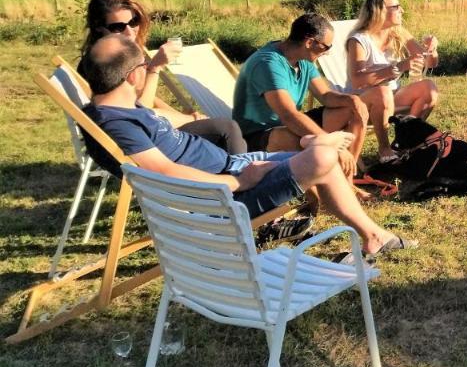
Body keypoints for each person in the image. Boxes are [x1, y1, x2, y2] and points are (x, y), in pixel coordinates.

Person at [78, 35, 414, 260]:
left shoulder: (113, 108)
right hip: (224, 196)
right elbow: (164, 174)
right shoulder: (117, 123)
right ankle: (327, 162)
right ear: (135, 75)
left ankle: (371, 234)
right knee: (325, 156)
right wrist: (241, 182)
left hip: (233, 165)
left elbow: (159, 136)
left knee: (324, 155)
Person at [81, 0, 246, 154]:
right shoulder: (101, 66)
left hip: (152, 129)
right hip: (142, 138)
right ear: (99, 27)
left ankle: (241, 171)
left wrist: (187, 117)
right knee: (227, 129)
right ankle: (243, 175)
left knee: (224, 128)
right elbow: (139, 113)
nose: (130, 32)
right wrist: (155, 68)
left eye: (133, 22)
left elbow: (146, 99)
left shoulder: (123, 56)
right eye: (118, 27)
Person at [232, 13, 369, 174]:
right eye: (326, 47)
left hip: (288, 124)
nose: (327, 52)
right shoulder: (268, 64)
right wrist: (332, 144)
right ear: (309, 42)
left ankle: (347, 180)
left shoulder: (303, 59)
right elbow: (289, 115)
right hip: (258, 135)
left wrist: (351, 100)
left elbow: (325, 95)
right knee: (304, 141)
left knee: (354, 110)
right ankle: (321, 189)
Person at [345, 0, 439, 161]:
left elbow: (429, 63)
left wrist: (431, 50)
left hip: (391, 96)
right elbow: (357, 81)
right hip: (363, 100)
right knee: (382, 92)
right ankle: (384, 149)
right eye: (396, 7)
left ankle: (406, 141)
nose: (402, 10)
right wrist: (399, 66)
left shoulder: (398, 32)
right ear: (380, 11)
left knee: (429, 88)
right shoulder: (358, 41)